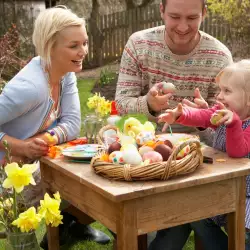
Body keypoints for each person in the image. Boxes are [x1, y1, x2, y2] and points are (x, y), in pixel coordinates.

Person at [0, 6, 110, 249]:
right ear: (49, 46)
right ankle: (66, 228)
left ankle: (69, 227)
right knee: (22, 239)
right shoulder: (29, 88)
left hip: (31, 166)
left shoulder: (64, 73)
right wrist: (21, 146)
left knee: (87, 177)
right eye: (74, 46)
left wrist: (44, 138)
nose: (83, 51)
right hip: (7, 179)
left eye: (85, 43)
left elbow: (71, 125)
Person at [156, 59, 250, 249]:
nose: (220, 97)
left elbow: (238, 151)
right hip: (223, 186)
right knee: (199, 214)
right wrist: (180, 115)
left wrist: (233, 124)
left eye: (227, 91)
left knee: (243, 234)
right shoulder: (223, 112)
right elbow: (203, 116)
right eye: (220, 90)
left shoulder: (236, 121)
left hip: (246, 195)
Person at [115, 0, 233, 141]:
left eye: (192, 18)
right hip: (142, 147)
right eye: (175, 17)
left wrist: (203, 119)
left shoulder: (220, 58)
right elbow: (122, 105)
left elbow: (225, 133)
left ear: (204, 14)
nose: (182, 27)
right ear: (162, 11)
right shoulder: (138, 45)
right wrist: (148, 105)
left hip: (198, 153)